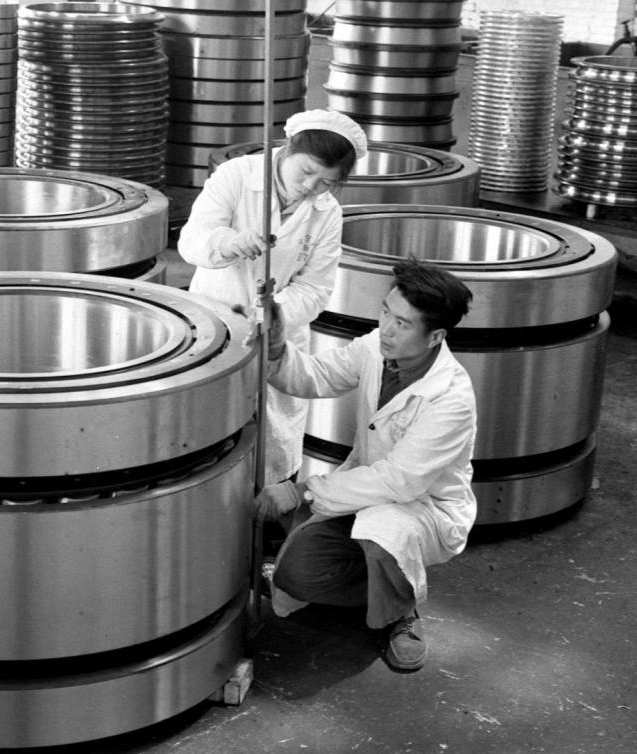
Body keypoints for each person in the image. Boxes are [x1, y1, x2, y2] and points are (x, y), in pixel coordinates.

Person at [253, 259, 476, 672]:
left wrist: (301, 490)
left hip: (422, 508)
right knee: (295, 575)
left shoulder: (450, 398)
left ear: (436, 337)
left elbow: (399, 482)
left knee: (384, 532)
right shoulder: (377, 347)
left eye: (402, 324)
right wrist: (279, 347)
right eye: (386, 312)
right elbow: (317, 376)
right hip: (365, 494)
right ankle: (379, 589)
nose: (386, 328)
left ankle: (400, 612)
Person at [177, 109, 367, 487]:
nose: (310, 186)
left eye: (326, 182)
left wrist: (274, 314)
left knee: (273, 446)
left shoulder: (327, 214)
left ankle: (272, 506)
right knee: (210, 440)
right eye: (306, 171)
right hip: (215, 324)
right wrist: (229, 244)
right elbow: (192, 241)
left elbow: (315, 288)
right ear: (288, 149)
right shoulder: (237, 176)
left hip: (277, 340)